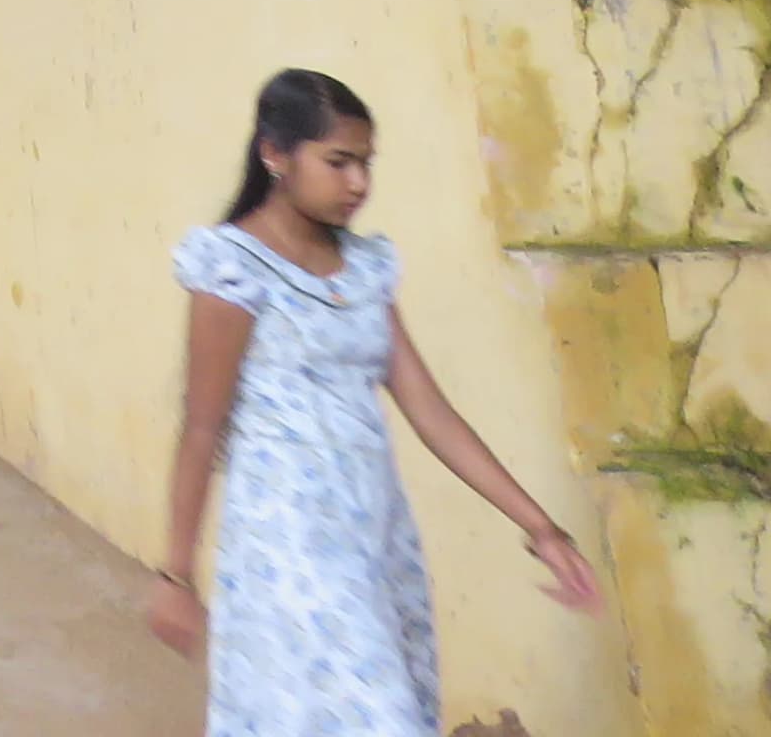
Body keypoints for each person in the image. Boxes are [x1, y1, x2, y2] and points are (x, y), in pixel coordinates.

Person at [150, 70, 601, 732]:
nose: (358, 184)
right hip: (291, 550)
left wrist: (540, 527)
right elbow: (200, 427)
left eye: (365, 164)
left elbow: (430, 411)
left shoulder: (362, 269)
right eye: (338, 162)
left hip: (376, 538)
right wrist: (177, 576)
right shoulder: (233, 268)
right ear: (275, 155)